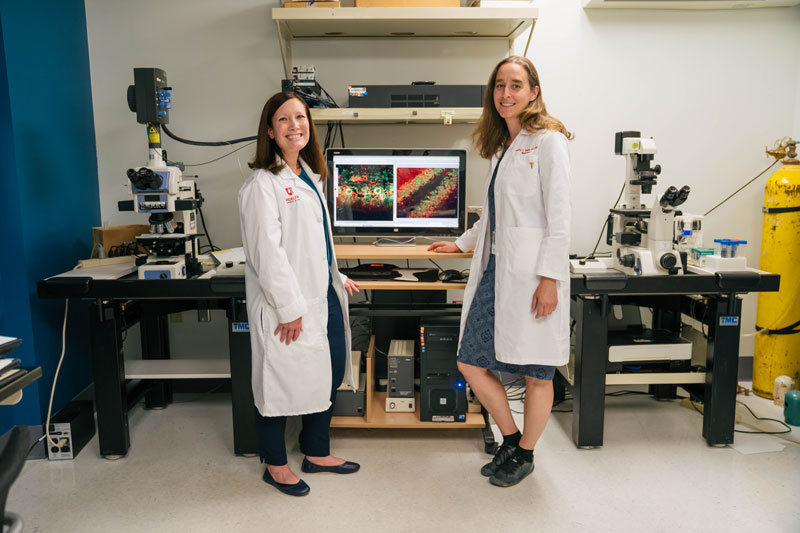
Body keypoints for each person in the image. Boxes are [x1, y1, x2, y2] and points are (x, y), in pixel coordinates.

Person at [428, 56, 572, 487]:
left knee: (536, 372)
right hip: (497, 272)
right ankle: (510, 438)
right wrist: (462, 243)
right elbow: (492, 215)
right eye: (499, 85)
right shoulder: (501, 146)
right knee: (470, 362)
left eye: (515, 85)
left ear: (534, 91)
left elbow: (561, 218)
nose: (506, 93)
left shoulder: (549, 142)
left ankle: (526, 454)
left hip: (534, 277)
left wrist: (550, 279)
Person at [239, 91, 361, 497]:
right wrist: (289, 308)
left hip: (320, 291)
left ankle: (316, 452)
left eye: (301, 117)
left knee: (327, 373)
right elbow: (268, 254)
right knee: (278, 383)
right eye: (285, 119)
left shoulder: (310, 174)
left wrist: (335, 276)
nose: (296, 125)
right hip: (285, 305)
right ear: (270, 132)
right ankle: (275, 464)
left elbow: (313, 243)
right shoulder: (263, 184)